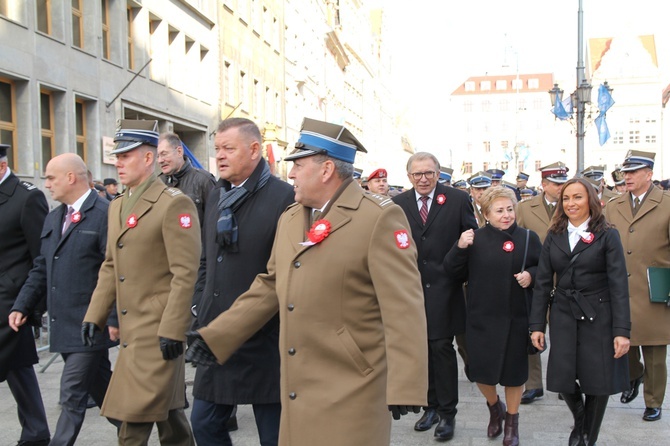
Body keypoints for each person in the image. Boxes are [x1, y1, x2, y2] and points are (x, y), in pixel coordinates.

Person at [186, 117, 428, 446]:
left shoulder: (378, 218)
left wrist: (407, 382)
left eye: (298, 165)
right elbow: (270, 285)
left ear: (326, 169)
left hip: (352, 386)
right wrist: (216, 336)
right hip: (298, 384)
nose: (291, 174)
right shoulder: (291, 218)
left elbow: (404, 306)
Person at [82, 120, 201, 445]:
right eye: (116, 156)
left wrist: (174, 328)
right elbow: (111, 265)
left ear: (148, 159)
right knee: (168, 417)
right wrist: (95, 314)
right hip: (132, 333)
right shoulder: (118, 204)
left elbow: (185, 271)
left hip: (159, 331)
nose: (117, 162)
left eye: (126, 156)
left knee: (132, 422)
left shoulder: (173, 203)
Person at [189, 118, 294, 446]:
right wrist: (199, 306)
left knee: (274, 436)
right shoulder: (217, 195)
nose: (219, 156)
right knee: (204, 423)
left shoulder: (284, 198)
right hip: (218, 335)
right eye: (217, 148)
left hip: (264, 339)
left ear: (253, 150)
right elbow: (206, 259)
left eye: (228, 148)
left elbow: (286, 273)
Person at [9, 153, 121, 445]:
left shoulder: (105, 214)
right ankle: (135, 429)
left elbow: (117, 271)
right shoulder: (54, 216)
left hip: (89, 326)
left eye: (50, 178)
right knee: (105, 393)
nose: (46, 184)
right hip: (63, 324)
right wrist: (22, 304)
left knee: (71, 394)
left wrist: (111, 318)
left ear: (71, 178)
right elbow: (41, 267)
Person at [531, 177, 631, 445]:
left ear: (591, 200)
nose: (571, 203)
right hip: (563, 312)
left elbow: (619, 284)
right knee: (562, 378)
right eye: (566, 198)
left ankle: (587, 436)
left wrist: (622, 331)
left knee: (597, 378)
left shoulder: (608, 234)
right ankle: (581, 419)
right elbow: (542, 282)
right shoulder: (554, 234)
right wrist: (537, 325)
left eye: (577, 197)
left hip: (598, 314)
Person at [444, 186, 541, 446]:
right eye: (499, 211)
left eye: (509, 209)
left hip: (516, 318)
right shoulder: (474, 239)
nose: (506, 215)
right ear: (486, 214)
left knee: (514, 375)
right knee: (479, 373)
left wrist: (531, 275)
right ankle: (493, 406)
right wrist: (459, 247)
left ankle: (512, 421)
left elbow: (542, 269)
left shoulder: (529, 238)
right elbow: (452, 271)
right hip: (481, 319)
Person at [392, 152, 478, 441]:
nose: (424, 179)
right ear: (409, 177)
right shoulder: (398, 204)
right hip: (412, 290)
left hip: (446, 289)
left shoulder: (456, 199)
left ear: (438, 173)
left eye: (429, 173)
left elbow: (471, 239)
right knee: (421, 349)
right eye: (418, 174)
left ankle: (447, 413)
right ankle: (428, 406)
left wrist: (459, 273)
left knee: (441, 348)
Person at [604, 150, 670, 422]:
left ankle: (654, 401)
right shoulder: (613, 205)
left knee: (655, 350)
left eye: (633, 172)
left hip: (655, 288)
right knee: (624, 344)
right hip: (620, 288)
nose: (627, 176)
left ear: (649, 175)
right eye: (625, 172)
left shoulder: (666, 204)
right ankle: (633, 375)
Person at [0, 143, 51, 446]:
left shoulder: (26, 198)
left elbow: (41, 256)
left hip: (11, 301)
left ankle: (35, 433)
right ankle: (35, 432)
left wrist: (34, 307)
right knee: (18, 369)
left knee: (18, 368)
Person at [516, 161, 569, 404]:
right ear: (544, 185)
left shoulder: (573, 205)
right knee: (532, 329)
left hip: (567, 280)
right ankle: (534, 384)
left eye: (562, 183)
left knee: (564, 334)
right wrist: (527, 272)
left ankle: (565, 381)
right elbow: (518, 244)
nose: (561, 188)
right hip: (537, 280)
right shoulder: (525, 208)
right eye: (556, 184)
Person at [157, 132, 216, 226]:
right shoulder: (158, 183)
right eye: (158, 156)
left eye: (164, 154)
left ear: (179, 152)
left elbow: (214, 224)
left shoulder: (204, 180)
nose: (160, 160)